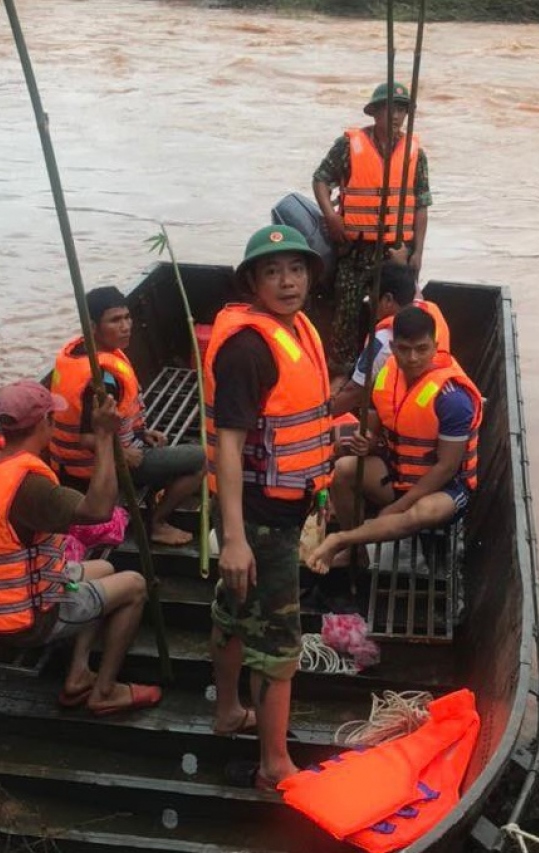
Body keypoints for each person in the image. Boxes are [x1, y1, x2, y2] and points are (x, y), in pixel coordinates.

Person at [204, 224, 333, 788]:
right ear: (253, 281)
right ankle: (273, 765)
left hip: (283, 507)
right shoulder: (249, 349)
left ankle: (228, 711)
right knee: (279, 645)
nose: (288, 281)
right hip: (262, 520)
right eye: (274, 271)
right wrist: (233, 538)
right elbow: (228, 446)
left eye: (297, 269)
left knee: (233, 612)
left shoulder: (296, 328)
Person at [0, 379, 161, 715]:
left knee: (105, 569)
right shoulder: (30, 487)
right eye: (53, 417)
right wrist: (106, 438)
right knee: (135, 585)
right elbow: (99, 510)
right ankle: (104, 692)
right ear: (43, 424)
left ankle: (78, 675)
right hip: (30, 620)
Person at [307, 307, 481, 574]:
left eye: (422, 349)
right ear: (392, 346)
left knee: (422, 513)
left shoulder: (452, 397)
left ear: (435, 346)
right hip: (398, 475)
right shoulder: (387, 375)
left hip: (445, 489)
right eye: (404, 349)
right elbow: (377, 436)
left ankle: (342, 540)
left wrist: (400, 505)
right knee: (343, 470)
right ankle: (357, 554)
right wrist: (369, 443)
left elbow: (446, 467)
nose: (412, 358)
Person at [49, 286, 206, 547]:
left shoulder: (81, 351)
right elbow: (88, 438)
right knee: (206, 459)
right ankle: (156, 524)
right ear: (92, 326)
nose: (126, 326)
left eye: (127, 317)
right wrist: (124, 454)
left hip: (96, 455)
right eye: (115, 320)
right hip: (99, 467)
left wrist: (142, 433)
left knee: (177, 454)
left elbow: (112, 420)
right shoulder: (101, 380)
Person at [312, 81, 432, 369]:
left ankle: (389, 369)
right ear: (375, 111)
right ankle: (343, 367)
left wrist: (416, 252)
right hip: (355, 249)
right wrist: (331, 216)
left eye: (402, 110)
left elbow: (421, 205)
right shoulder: (348, 145)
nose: (396, 116)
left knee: (398, 312)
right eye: (390, 109)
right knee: (347, 309)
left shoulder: (416, 154)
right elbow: (320, 180)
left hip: (396, 250)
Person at [330, 262, 451, 417]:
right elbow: (415, 291)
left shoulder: (384, 339)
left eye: (371, 298)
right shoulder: (430, 309)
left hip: (403, 414)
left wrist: (318, 419)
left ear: (387, 299)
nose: (369, 304)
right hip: (438, 401)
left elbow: (354, 392)